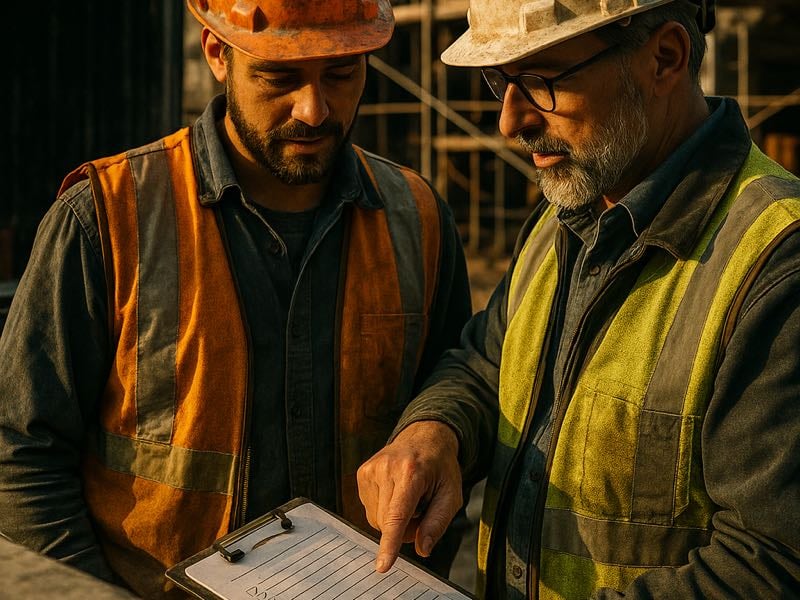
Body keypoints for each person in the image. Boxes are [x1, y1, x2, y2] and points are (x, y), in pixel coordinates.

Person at [0, 1, 472, 597]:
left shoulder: (418, 219)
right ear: (217, 53)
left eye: (342, 74)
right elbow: (20, 454)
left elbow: (456, 406)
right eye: (280, 77)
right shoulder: (107, 218)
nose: (314, 109)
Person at [357, 0, 800, 598]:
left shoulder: (775, 263)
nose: (510, 121)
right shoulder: (562, 221)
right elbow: (489, 364)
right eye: (498, 82)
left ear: (664, 57)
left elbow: (771, 564)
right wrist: (436, 430)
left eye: (539, 81)